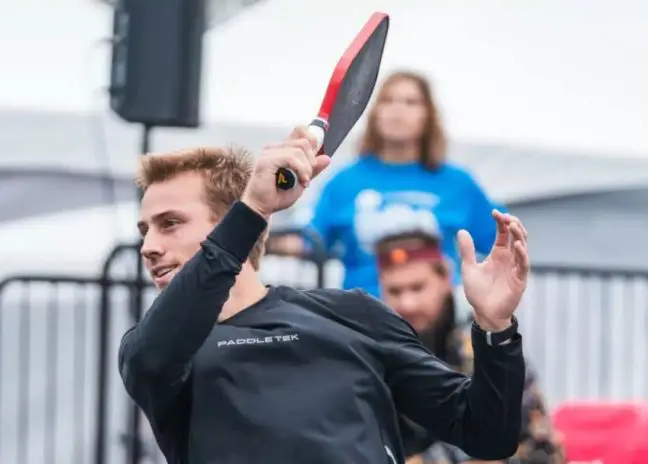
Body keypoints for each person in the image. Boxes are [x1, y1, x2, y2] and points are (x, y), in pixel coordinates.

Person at [118, 126, 529, 463]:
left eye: (169, 223)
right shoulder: (158, 348)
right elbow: (153, 356)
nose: (148, 246)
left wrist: (495, 328)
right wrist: (254, 209)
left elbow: (486, 435)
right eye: (144, 230)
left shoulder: (352, 315)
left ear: (228, 223)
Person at [267, 71, 502, 297]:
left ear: (429, 115)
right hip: (362, 320)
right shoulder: (343, 182)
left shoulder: (458, 183)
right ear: (374, 113)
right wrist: (259, 215)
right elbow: (307, 241)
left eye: (411, 102)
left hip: (437, 328)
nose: (397, 110)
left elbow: (503, 241)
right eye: (388, 101)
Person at [375, 230, 566, 464]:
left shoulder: (482, 340)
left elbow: (509, 437)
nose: (407, 303)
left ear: (446, 278)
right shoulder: (379, 348)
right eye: (395, 291)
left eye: (417, 288)